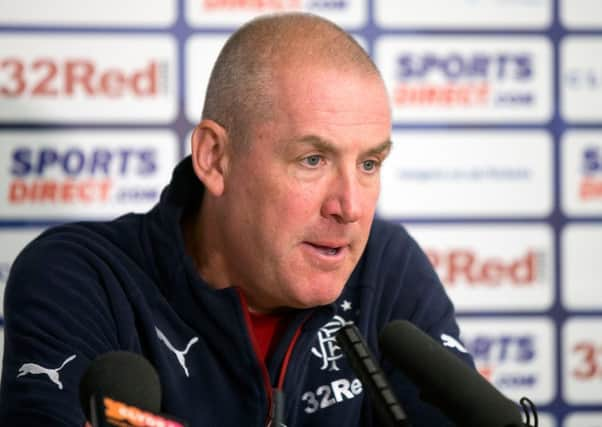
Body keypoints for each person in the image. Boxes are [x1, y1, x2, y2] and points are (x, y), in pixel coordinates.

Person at [0, 12, 473, 426]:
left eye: (369, 164)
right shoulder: (81, 277)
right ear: (215, 158)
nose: (348, 206)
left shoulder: (386, 266)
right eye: (313, 160)